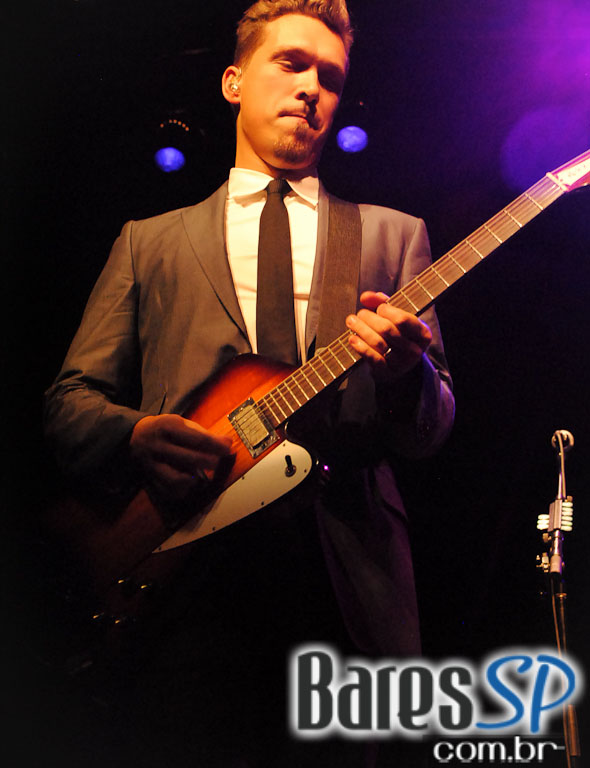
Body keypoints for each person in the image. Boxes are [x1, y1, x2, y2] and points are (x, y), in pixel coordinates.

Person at [44, 1, 454, 765]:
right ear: (234, 81)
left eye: (330, 77)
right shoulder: (148, 241)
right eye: (291, 63)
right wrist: (136, 434)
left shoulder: (394, 235)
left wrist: (408, 377)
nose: (311, 88)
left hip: (343, 586)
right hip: (183, 584)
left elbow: (433, 427)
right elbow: (69, 404)